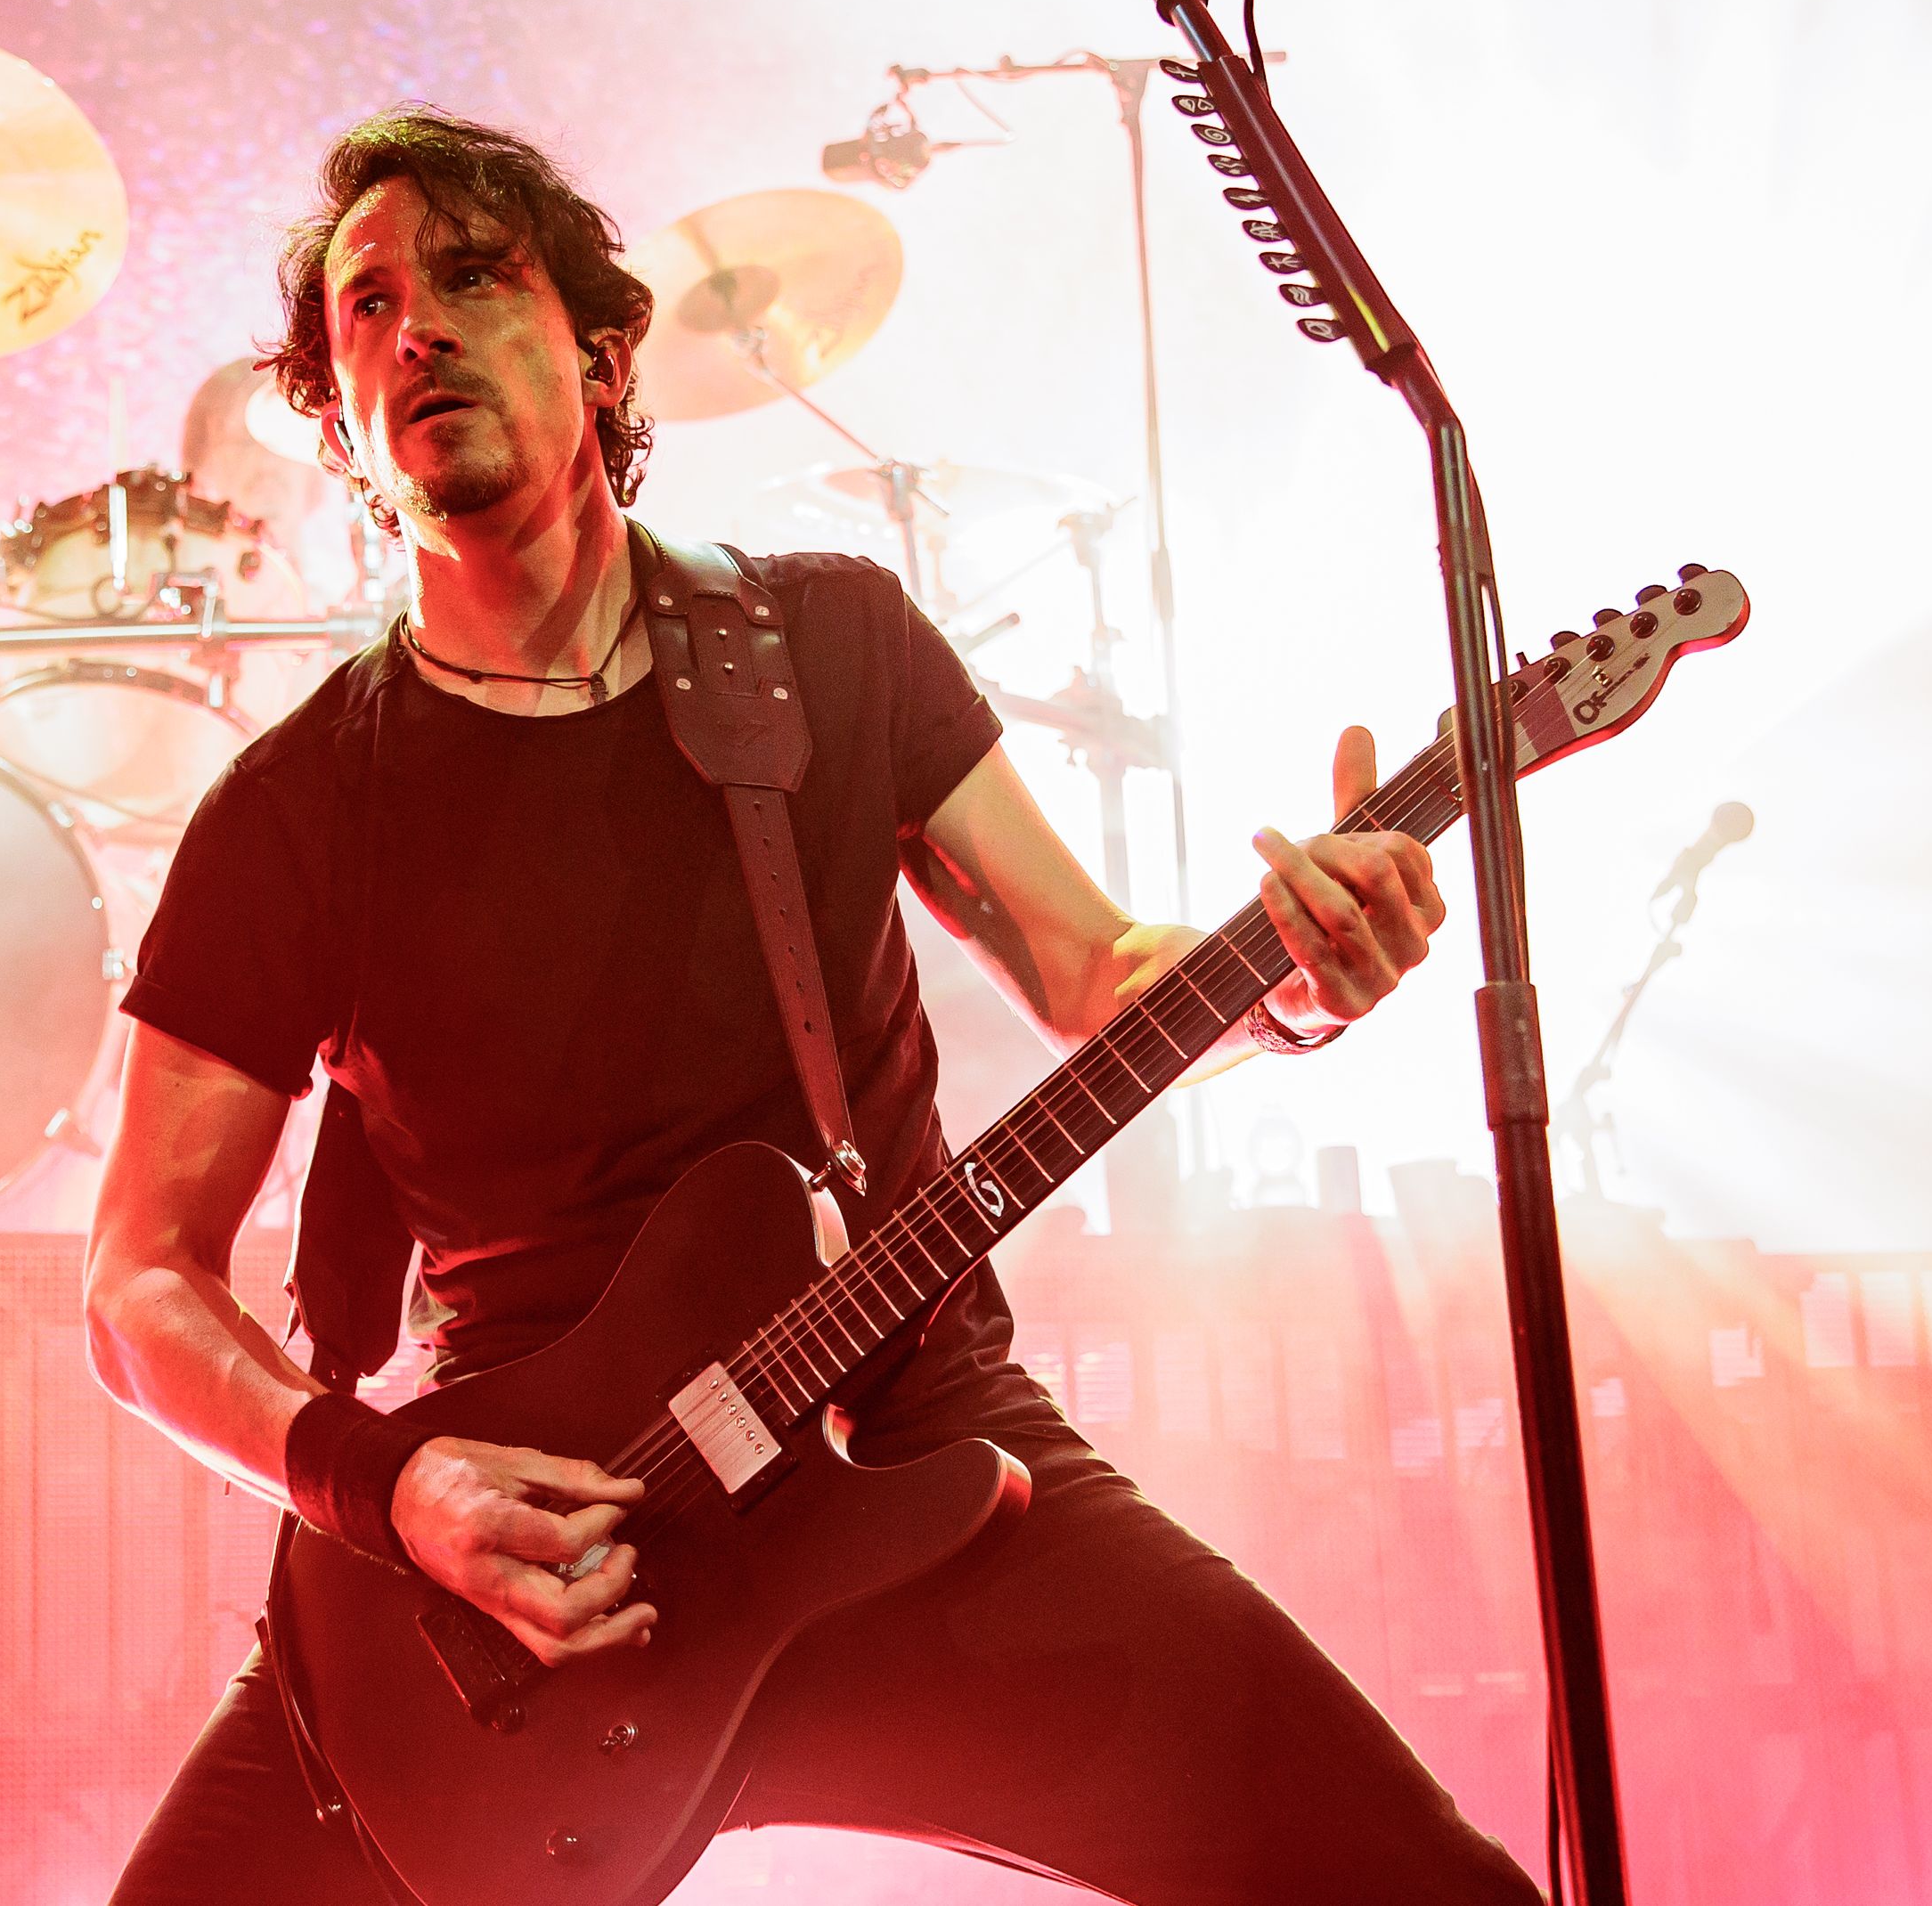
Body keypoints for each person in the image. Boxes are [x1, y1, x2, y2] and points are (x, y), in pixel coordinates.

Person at [87, 106, 1538, 1903]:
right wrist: (387, 1489)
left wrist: (1286, 984)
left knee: (1419, 1886)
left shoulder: (828, 650)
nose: (418, 328)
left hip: (907, 1443)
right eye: (366, 307)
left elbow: (1096, 972)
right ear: (338, 423)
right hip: (523, 1571)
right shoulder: (300, 806)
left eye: (472, 278)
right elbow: (137, 1284)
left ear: (605, 353)